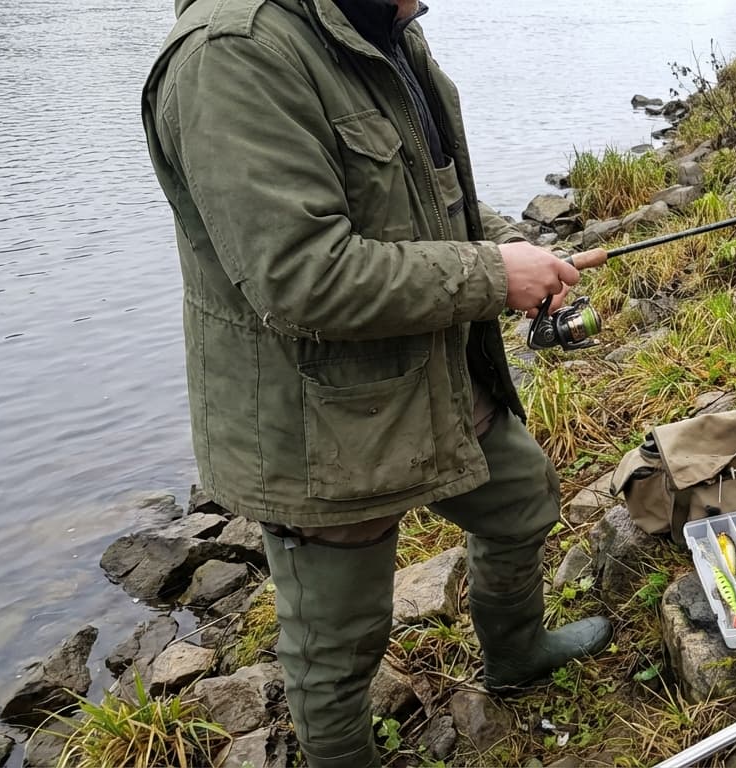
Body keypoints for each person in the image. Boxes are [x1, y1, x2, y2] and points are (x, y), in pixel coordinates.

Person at [140, 0, 612, 765]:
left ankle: (517, 656)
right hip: (316, 421)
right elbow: (301, 277)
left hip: (433, 373)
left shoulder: (385, 26)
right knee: (339, 644)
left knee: (521, 500)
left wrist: (511, 249)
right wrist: (494, 276)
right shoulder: (230, 55)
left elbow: (432, 195)